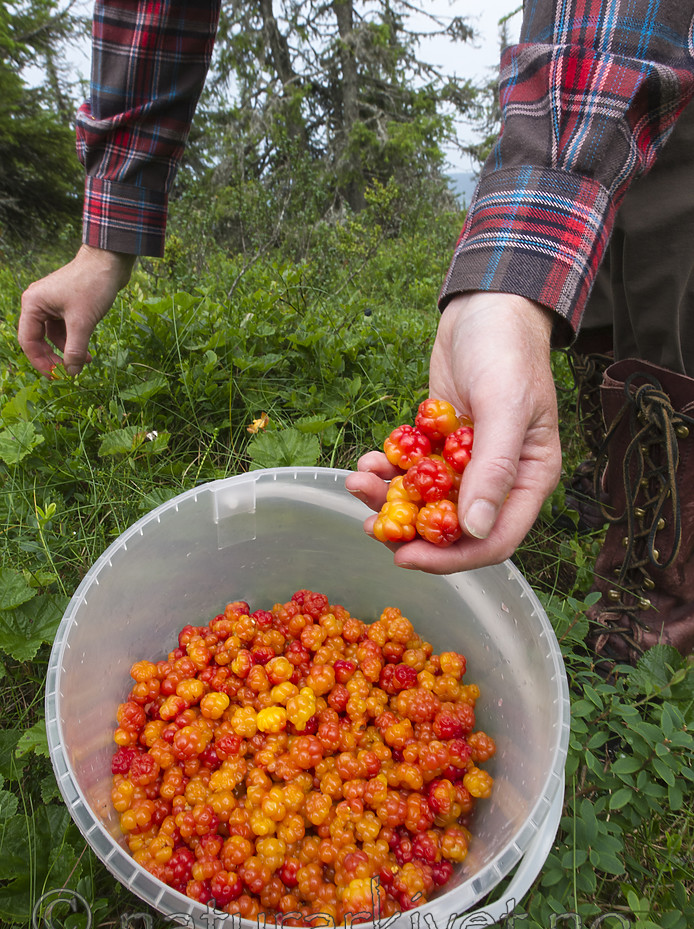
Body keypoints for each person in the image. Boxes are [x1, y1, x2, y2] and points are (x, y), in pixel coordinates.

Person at [16, 1, 694, 664]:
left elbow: (608, 25)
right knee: (592, 274)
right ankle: (615, 475)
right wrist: (108, 232)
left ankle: (653, 596)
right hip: (585, 64)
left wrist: (506, 291)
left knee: (669, 263)